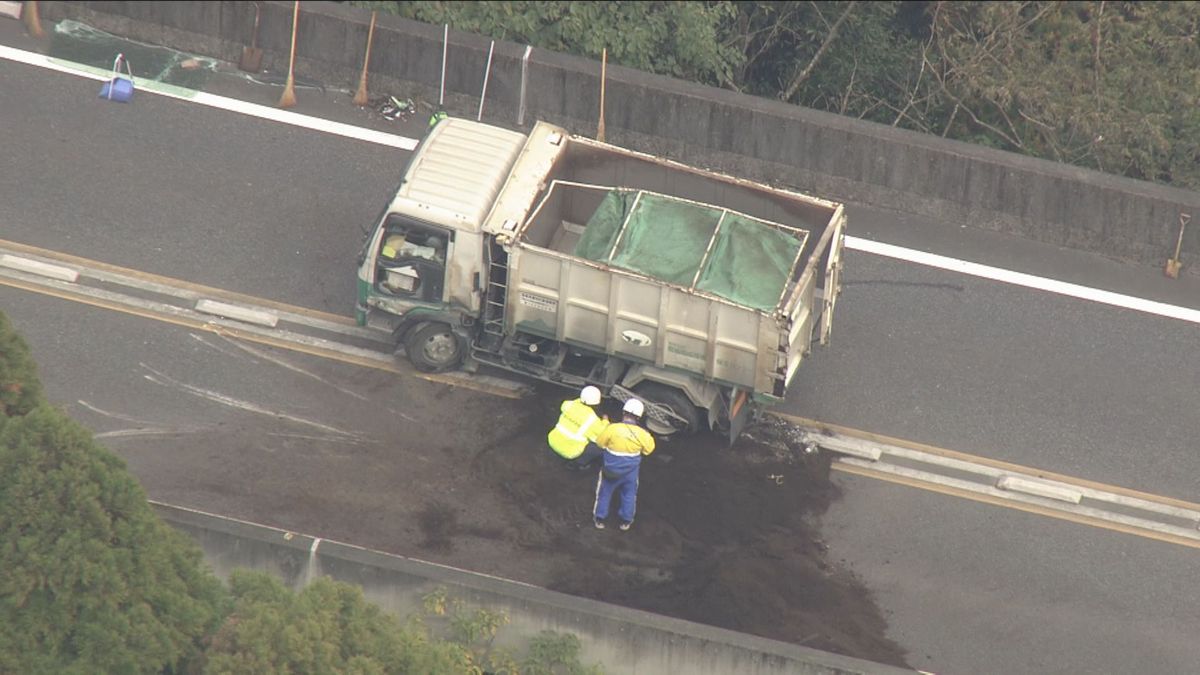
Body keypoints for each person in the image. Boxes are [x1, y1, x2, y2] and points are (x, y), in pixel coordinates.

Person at [592, 398, 655, 531]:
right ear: (639, 417)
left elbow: (599, 443)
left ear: (623, 412)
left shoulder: (612, 428)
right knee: (629, 495)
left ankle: (599, 519)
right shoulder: (644, 435)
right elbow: (648, 451)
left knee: (604, 493)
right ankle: (626, 521)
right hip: (630, 473)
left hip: (610, 470)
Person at [547, 386, 608, 470]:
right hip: (570, 451)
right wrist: (605, 421)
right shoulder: (592, 420)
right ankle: (579, 464)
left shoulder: (569, 405)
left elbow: (574, 403)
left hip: (552, 440)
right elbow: (603, 433)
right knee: (600, 445)